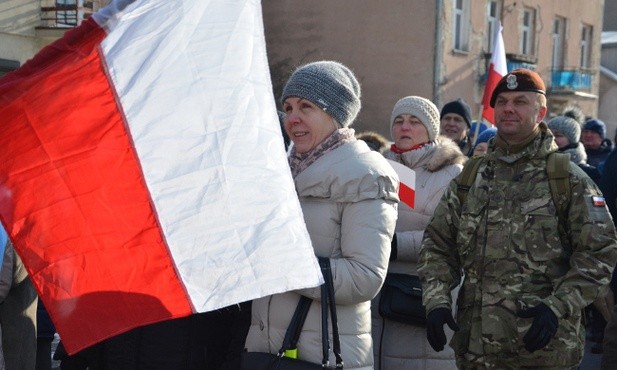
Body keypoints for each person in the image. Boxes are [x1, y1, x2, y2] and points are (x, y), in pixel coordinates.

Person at [418, 68, 617, 369]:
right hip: (476, 351)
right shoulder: (471, 175)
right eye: (503, 101)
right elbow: (438, 243)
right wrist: (436, 299)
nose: (509, 108)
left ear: (541, 111)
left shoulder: (567, 178)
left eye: (520, 101)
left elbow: (599, 254)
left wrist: (558, 306)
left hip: (542, 350)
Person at [244, 61, 399, 369]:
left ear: (335, 114)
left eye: (306, 106)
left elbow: (364, 278)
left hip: (324, 355)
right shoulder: (279, 172)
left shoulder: (366, 175)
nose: (293, 118)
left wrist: (279, 262)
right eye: (288, 107)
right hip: (266, 351)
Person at [372, 96, 466, 370]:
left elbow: (452, 236)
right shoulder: (376, 167)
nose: (405, 127)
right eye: (399, 121)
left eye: (414, 122)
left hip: (422, 293)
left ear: (431, 129)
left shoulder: (452, 174)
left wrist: (397, 244)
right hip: (378, 291)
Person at [0, 240, 38, 370]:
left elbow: (2, 284)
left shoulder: (9, 240)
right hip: (24, 328)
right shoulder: (30, 242)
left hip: (10, 333)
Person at [548, 115, 600, 183]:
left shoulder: (589, 173)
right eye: (549, 135)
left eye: (558, 135)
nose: (552, 139)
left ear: (572, 140)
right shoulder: (538, 166)